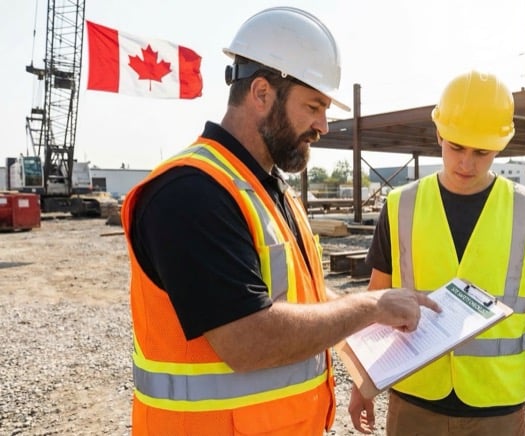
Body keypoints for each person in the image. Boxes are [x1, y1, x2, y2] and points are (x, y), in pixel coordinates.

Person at [120, 7, 438, 436]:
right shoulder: (191, 192)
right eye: (314, 106)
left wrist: (377, 336)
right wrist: (370, 306)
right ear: (262, 93)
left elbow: (301, 300)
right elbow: (248, 340)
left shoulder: (269, 189)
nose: (324, 125)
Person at [348, 70, 525, 436]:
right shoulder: (401, 205)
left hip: (496, 408)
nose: (466, 162)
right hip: (414, 399)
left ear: (501, 144)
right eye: (455, 147)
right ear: (439, 134)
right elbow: (376, 300)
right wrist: (362, 383)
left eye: (481, 151)